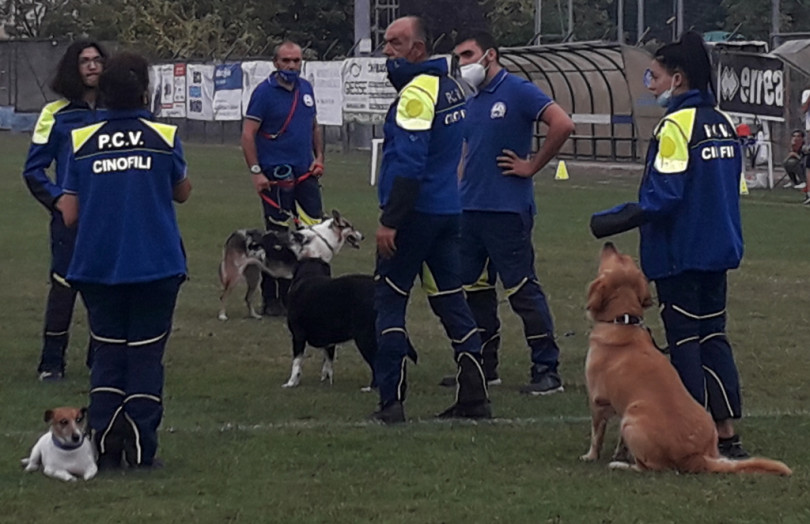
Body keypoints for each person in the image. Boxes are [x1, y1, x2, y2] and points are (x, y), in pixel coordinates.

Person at [590, 32, 750, 459]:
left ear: (677, 79)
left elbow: (666, 196)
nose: (651, 84)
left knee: (685, 342)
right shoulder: (721, 121)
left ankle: (692, 432)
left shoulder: (676, 125)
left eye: (654, 75)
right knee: (714, 335)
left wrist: (620, 216)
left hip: (682, 252)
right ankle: (726, 430)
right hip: (719, 248)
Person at [59, 52, 191, 469]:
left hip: (98, 266)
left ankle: (106, 443)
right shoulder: (164, 135)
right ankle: (140, 444)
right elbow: (182, 192)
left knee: (109, 355)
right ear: (144, 91)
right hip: (155, 264)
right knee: (146, 356)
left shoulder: (81, 139)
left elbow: (69, 212)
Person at [371, 16, 490, 423]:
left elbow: (409, 165)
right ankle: (475, 397)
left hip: (414, 215)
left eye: (394, 44)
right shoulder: (451, 86)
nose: (387, 52)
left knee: (389, 299)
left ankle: (391, 401)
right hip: (447, 211)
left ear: (417, 50)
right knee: (451, 300)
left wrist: (390, 220)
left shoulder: (416, 94)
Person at [441, 30, 574, 394]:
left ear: (491, 56)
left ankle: (546, 370)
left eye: (469, 55)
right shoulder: (471, 98)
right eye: (459, 58)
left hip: (506, 211)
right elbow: (468, 148)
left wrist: (532, 165)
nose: (464, 64)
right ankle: (484, 366)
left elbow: (563, 124)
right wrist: (458, 188)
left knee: (522, 290)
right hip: (470, 210)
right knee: (475, 291)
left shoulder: (517, 91)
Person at [22, 40, 106, 381]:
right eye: (85, 61)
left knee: (105, 289)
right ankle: (51, 363)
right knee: (63, 288)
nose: (92, 66)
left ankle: (99, 360)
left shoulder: (117, 111)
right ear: (73, 68)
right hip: (70, 220)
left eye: (98, 60)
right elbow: (33, 169)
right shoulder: (53, 114)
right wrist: (59, 200)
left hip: (109, 219)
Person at [241, 41, 325, 317]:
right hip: (276, 177)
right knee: (278, 239)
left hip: (305, 173)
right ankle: (273, 299)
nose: (291, 66)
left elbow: (313, 125)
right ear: (275, 63)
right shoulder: (264, 94)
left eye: (296, 61)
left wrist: (319, 157)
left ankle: (311, 293)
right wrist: (256, 172)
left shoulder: (306, 89)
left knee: (314, 235)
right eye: (286, 61)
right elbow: (248, 134)